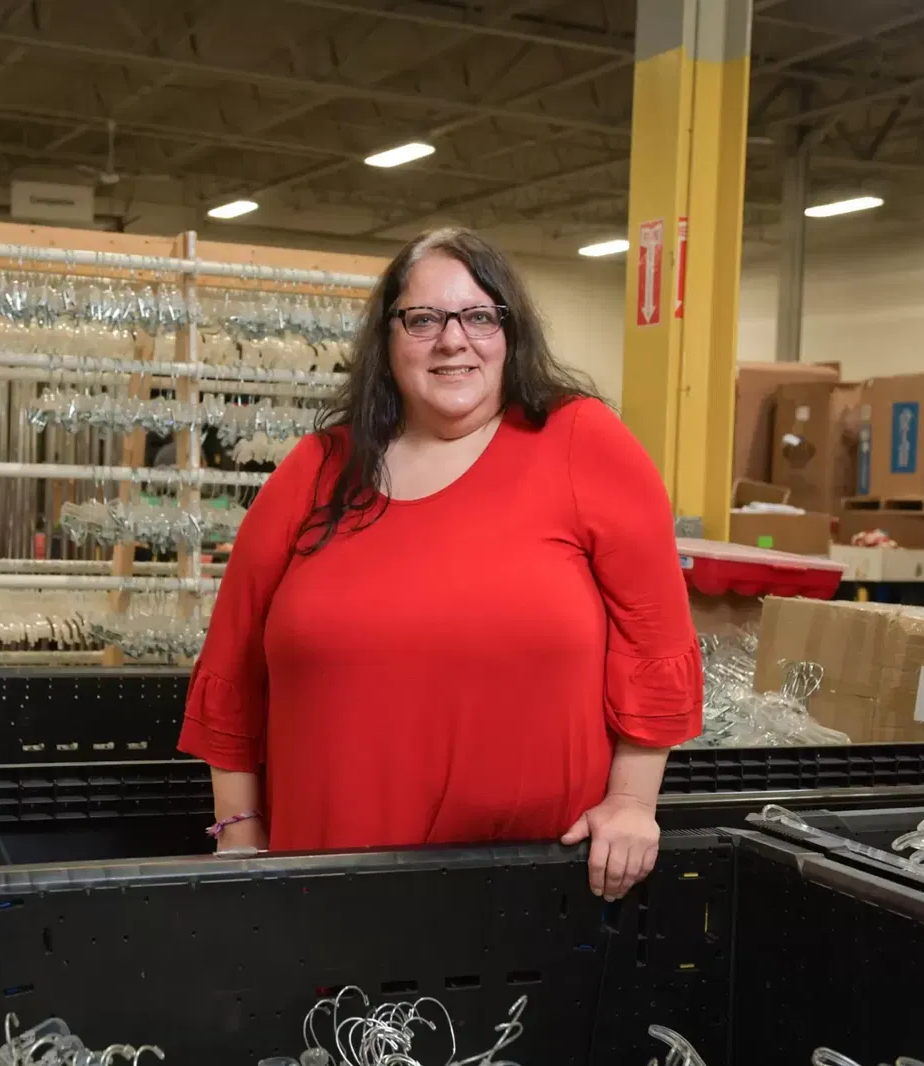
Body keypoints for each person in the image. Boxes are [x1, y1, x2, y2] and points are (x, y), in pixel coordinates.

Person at [177, 227, 703, 902]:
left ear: (510, 332)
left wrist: (632, 803)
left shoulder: (583, 442)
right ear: (388, 338)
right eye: (423, 319)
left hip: (534, 883)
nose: (453, 339)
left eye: (479, 316)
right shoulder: (318, 470)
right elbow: (231, 670)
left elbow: (655, 642)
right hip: (323, 887)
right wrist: (240, 833)